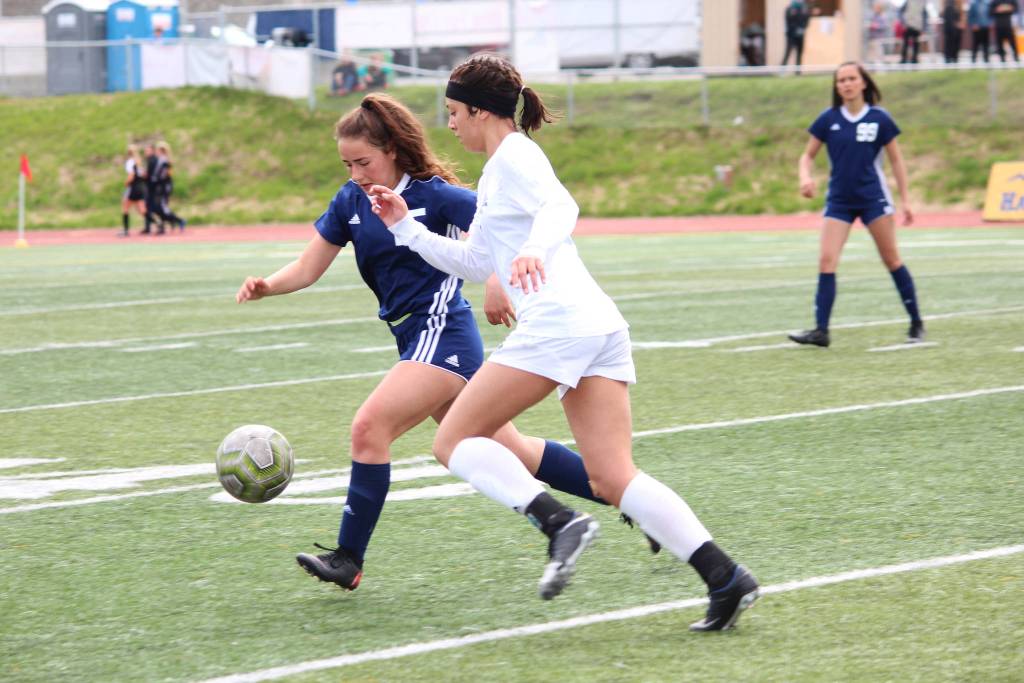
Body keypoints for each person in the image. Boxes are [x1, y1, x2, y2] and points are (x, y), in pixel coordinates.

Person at [368, 54, 759, 631]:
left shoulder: (517, 156)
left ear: (479, 111)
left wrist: (535, 249)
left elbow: (561, 206)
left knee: (452, 440)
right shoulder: (499, 169)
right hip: (596, 325)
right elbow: (476, 262)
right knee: (611, 477)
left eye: (453, 112)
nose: (449, 124)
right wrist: (406, 226)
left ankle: (558, 521)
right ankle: (726, 578)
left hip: (559, 326)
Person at [236, 93, 643, 595]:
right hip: (413, 337)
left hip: (442, 331)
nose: (356, 172)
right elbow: (308, 267)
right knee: (511, 448)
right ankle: (632, 500)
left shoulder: (436, 195)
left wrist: (498, 279)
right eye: (347, 163)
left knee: (369, 427)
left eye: (364, 161)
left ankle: (348, 557)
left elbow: (503, 231)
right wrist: (267, 286)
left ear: (394, 150)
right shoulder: (350, 200)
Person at [789, 62, 923, 348]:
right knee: (826, 260)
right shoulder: (828, 119)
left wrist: (906, 200)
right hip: (839, 201)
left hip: (873, 199)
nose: (846, 84)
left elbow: (897, 160)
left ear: (863, 83)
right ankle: (821, 331)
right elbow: (807, 156)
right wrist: (805, 177)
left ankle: (916, 321)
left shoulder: (879, 119)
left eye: (851, 79)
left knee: (891, 259)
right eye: (841, 81)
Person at [154, 141, 186, 233]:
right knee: (161, 207)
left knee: (163, 207)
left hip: (165, 186)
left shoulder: (165, 160)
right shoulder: (162, 159)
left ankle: (179, 220)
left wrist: (157, 179)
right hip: (162, 186)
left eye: (157, 150)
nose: (156, 151)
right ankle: (171, 222)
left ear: (161, 150)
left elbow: (166, 174)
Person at [119, 144, 147, 237]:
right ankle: (153, 224)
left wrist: (126, 183)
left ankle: (126, 230)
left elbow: (131, 174)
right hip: (140, 186)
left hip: (133, 187)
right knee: (141, 208)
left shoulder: (130, 162)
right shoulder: (139, 161)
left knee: (125, 207)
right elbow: (144, 174)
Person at [782, 1, 810, 70]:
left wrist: (803, 28)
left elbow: (806, 18)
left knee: (799, 53)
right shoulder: (790, 8)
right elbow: (788, 20)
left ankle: (798, 71)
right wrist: (794, 29)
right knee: (788, 52)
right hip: (791, 35)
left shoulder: (804, 8)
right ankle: (782, 69)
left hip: (800, 34)